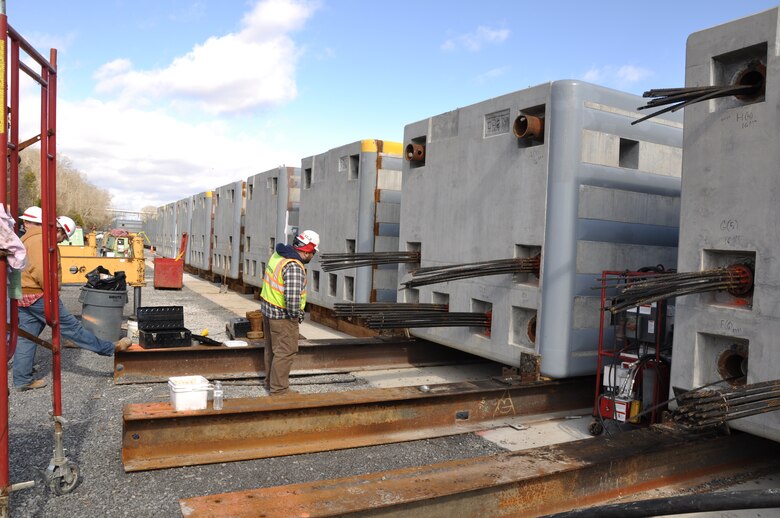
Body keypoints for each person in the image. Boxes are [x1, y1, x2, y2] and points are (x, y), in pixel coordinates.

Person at [12, 208, 131, 391]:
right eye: (64, 237)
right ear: (58, 230)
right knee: (72, 329)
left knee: (27, 336)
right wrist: (52, 293)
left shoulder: (27, 237)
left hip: (22, 295)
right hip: (39, 295)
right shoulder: (41, 241)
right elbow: (42, 271)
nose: (62, 241)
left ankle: (22, 378)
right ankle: (110, 348)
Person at [259, 230, 319, 395]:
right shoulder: (294, 266)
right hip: (282, 315)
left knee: (272, 348)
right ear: (307, 251)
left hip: (268, 309)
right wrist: (297, 314)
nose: (312, 257)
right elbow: (292, 300)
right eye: (313, 253)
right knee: (285, 351)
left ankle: (270, 383)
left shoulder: (278, 256)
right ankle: (279, 390)